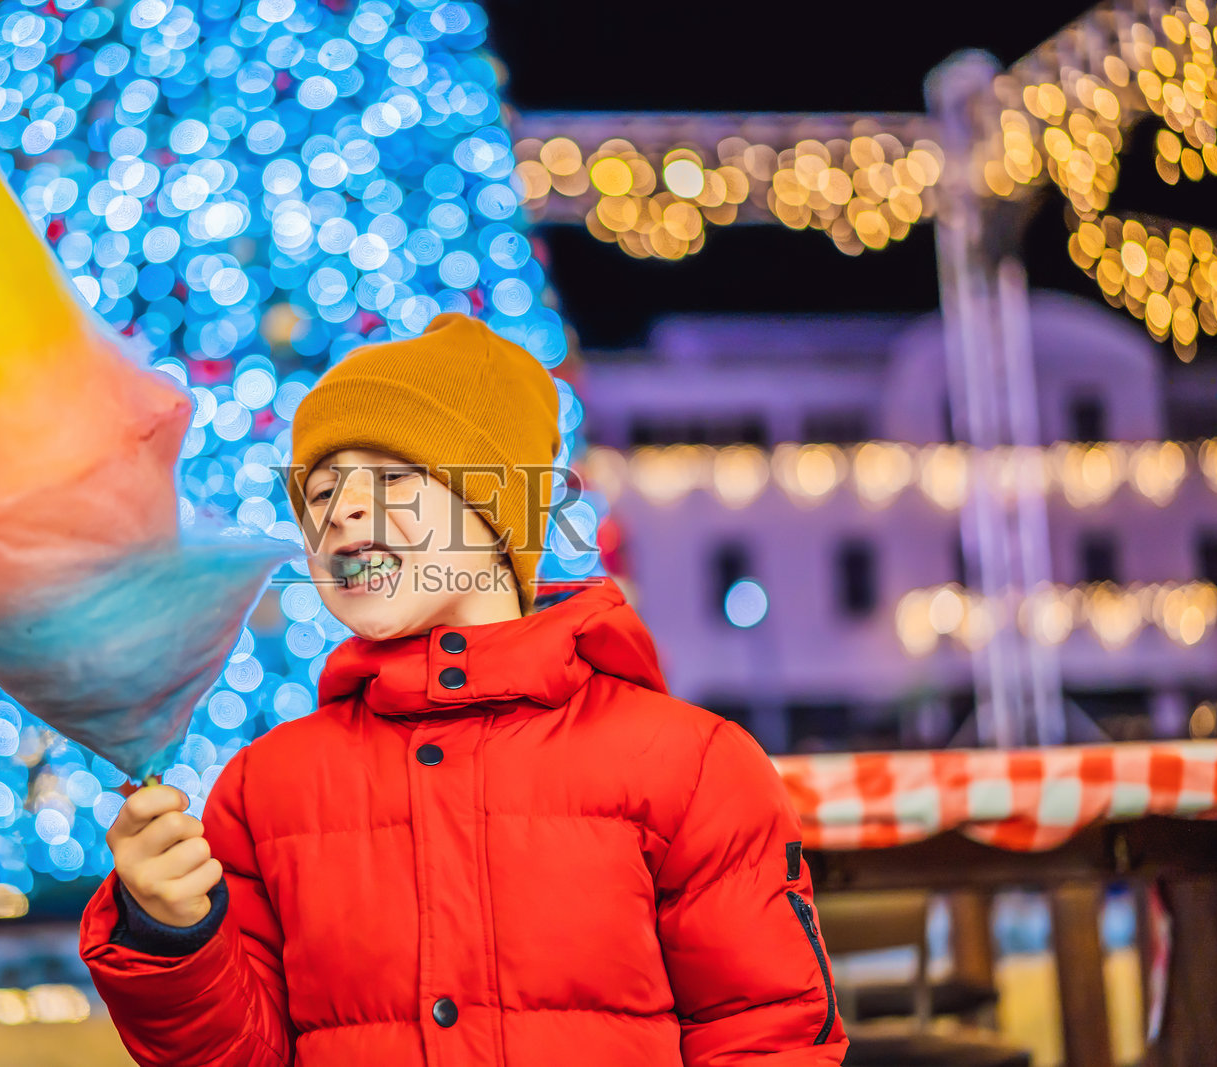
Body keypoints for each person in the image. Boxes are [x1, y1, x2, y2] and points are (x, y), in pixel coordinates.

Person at [79, 312, 848, 1065]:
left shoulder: (691, 764)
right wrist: (170, 934)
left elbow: (765, 1035)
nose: (342, 512)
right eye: (319, 494)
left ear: (495, 508)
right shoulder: (263, 790)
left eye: (391, 478)